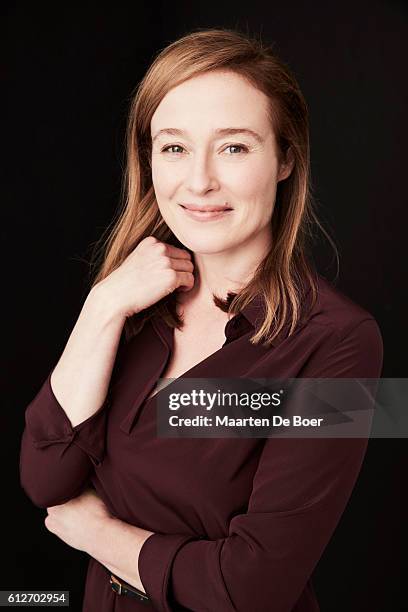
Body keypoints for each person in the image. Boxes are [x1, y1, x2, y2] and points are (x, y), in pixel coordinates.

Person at [19, 28, 383, 612]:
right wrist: (103, 306)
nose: (198, 181)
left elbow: (252, 589)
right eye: (174, 147)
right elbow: (44, 477)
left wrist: (92, 533)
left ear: (286, 158)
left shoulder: (344, 344)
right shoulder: (132, 302)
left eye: (234, 147)